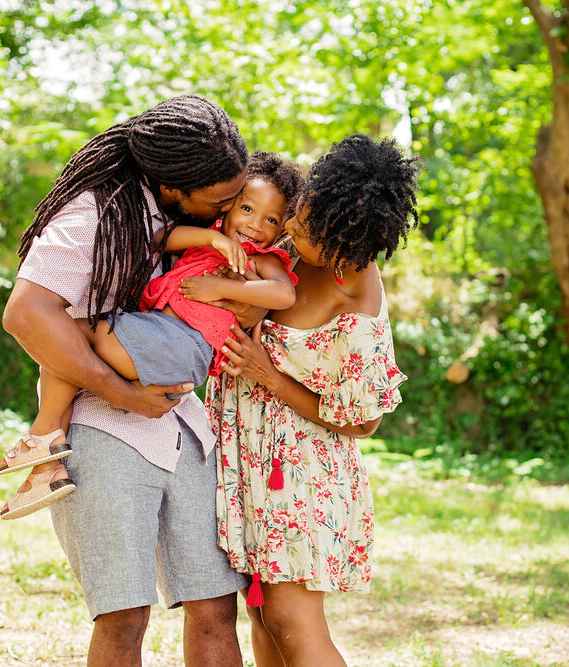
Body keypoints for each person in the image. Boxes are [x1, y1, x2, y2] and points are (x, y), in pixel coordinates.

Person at [1, 95, 257, 667]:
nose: (226, 211)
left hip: (185, 430)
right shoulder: (92, 215)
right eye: (219, 202)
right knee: (124, 617)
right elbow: (26, 314)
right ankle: (40, 450)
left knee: (216, 607)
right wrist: (122, 394)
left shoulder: (175, 217)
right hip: (102, 433)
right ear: (173, 186)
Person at [203, 134, 421, 666]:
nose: (292, 234)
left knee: (291, 621)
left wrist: (268, 375)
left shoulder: (356, 297)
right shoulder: (292, 241)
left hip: (299, 469)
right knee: (260, 613)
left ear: (349, 245)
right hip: (245, 453)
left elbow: (365, 422)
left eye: (307, 232)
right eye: (298, 218)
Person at [0, 150, 303, 521]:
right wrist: (214, 239)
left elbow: (283, 294)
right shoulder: (212, 239)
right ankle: (47, 470)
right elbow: (160, 237)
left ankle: (41, 435)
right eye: (247, 209)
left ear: (282, 227)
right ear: (229, 205)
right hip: (161, 339)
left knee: (70, 336)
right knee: (60, 351)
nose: (255, 225)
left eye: (270, 219)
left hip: (178, 345)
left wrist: (220, 288)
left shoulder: (263, 258)